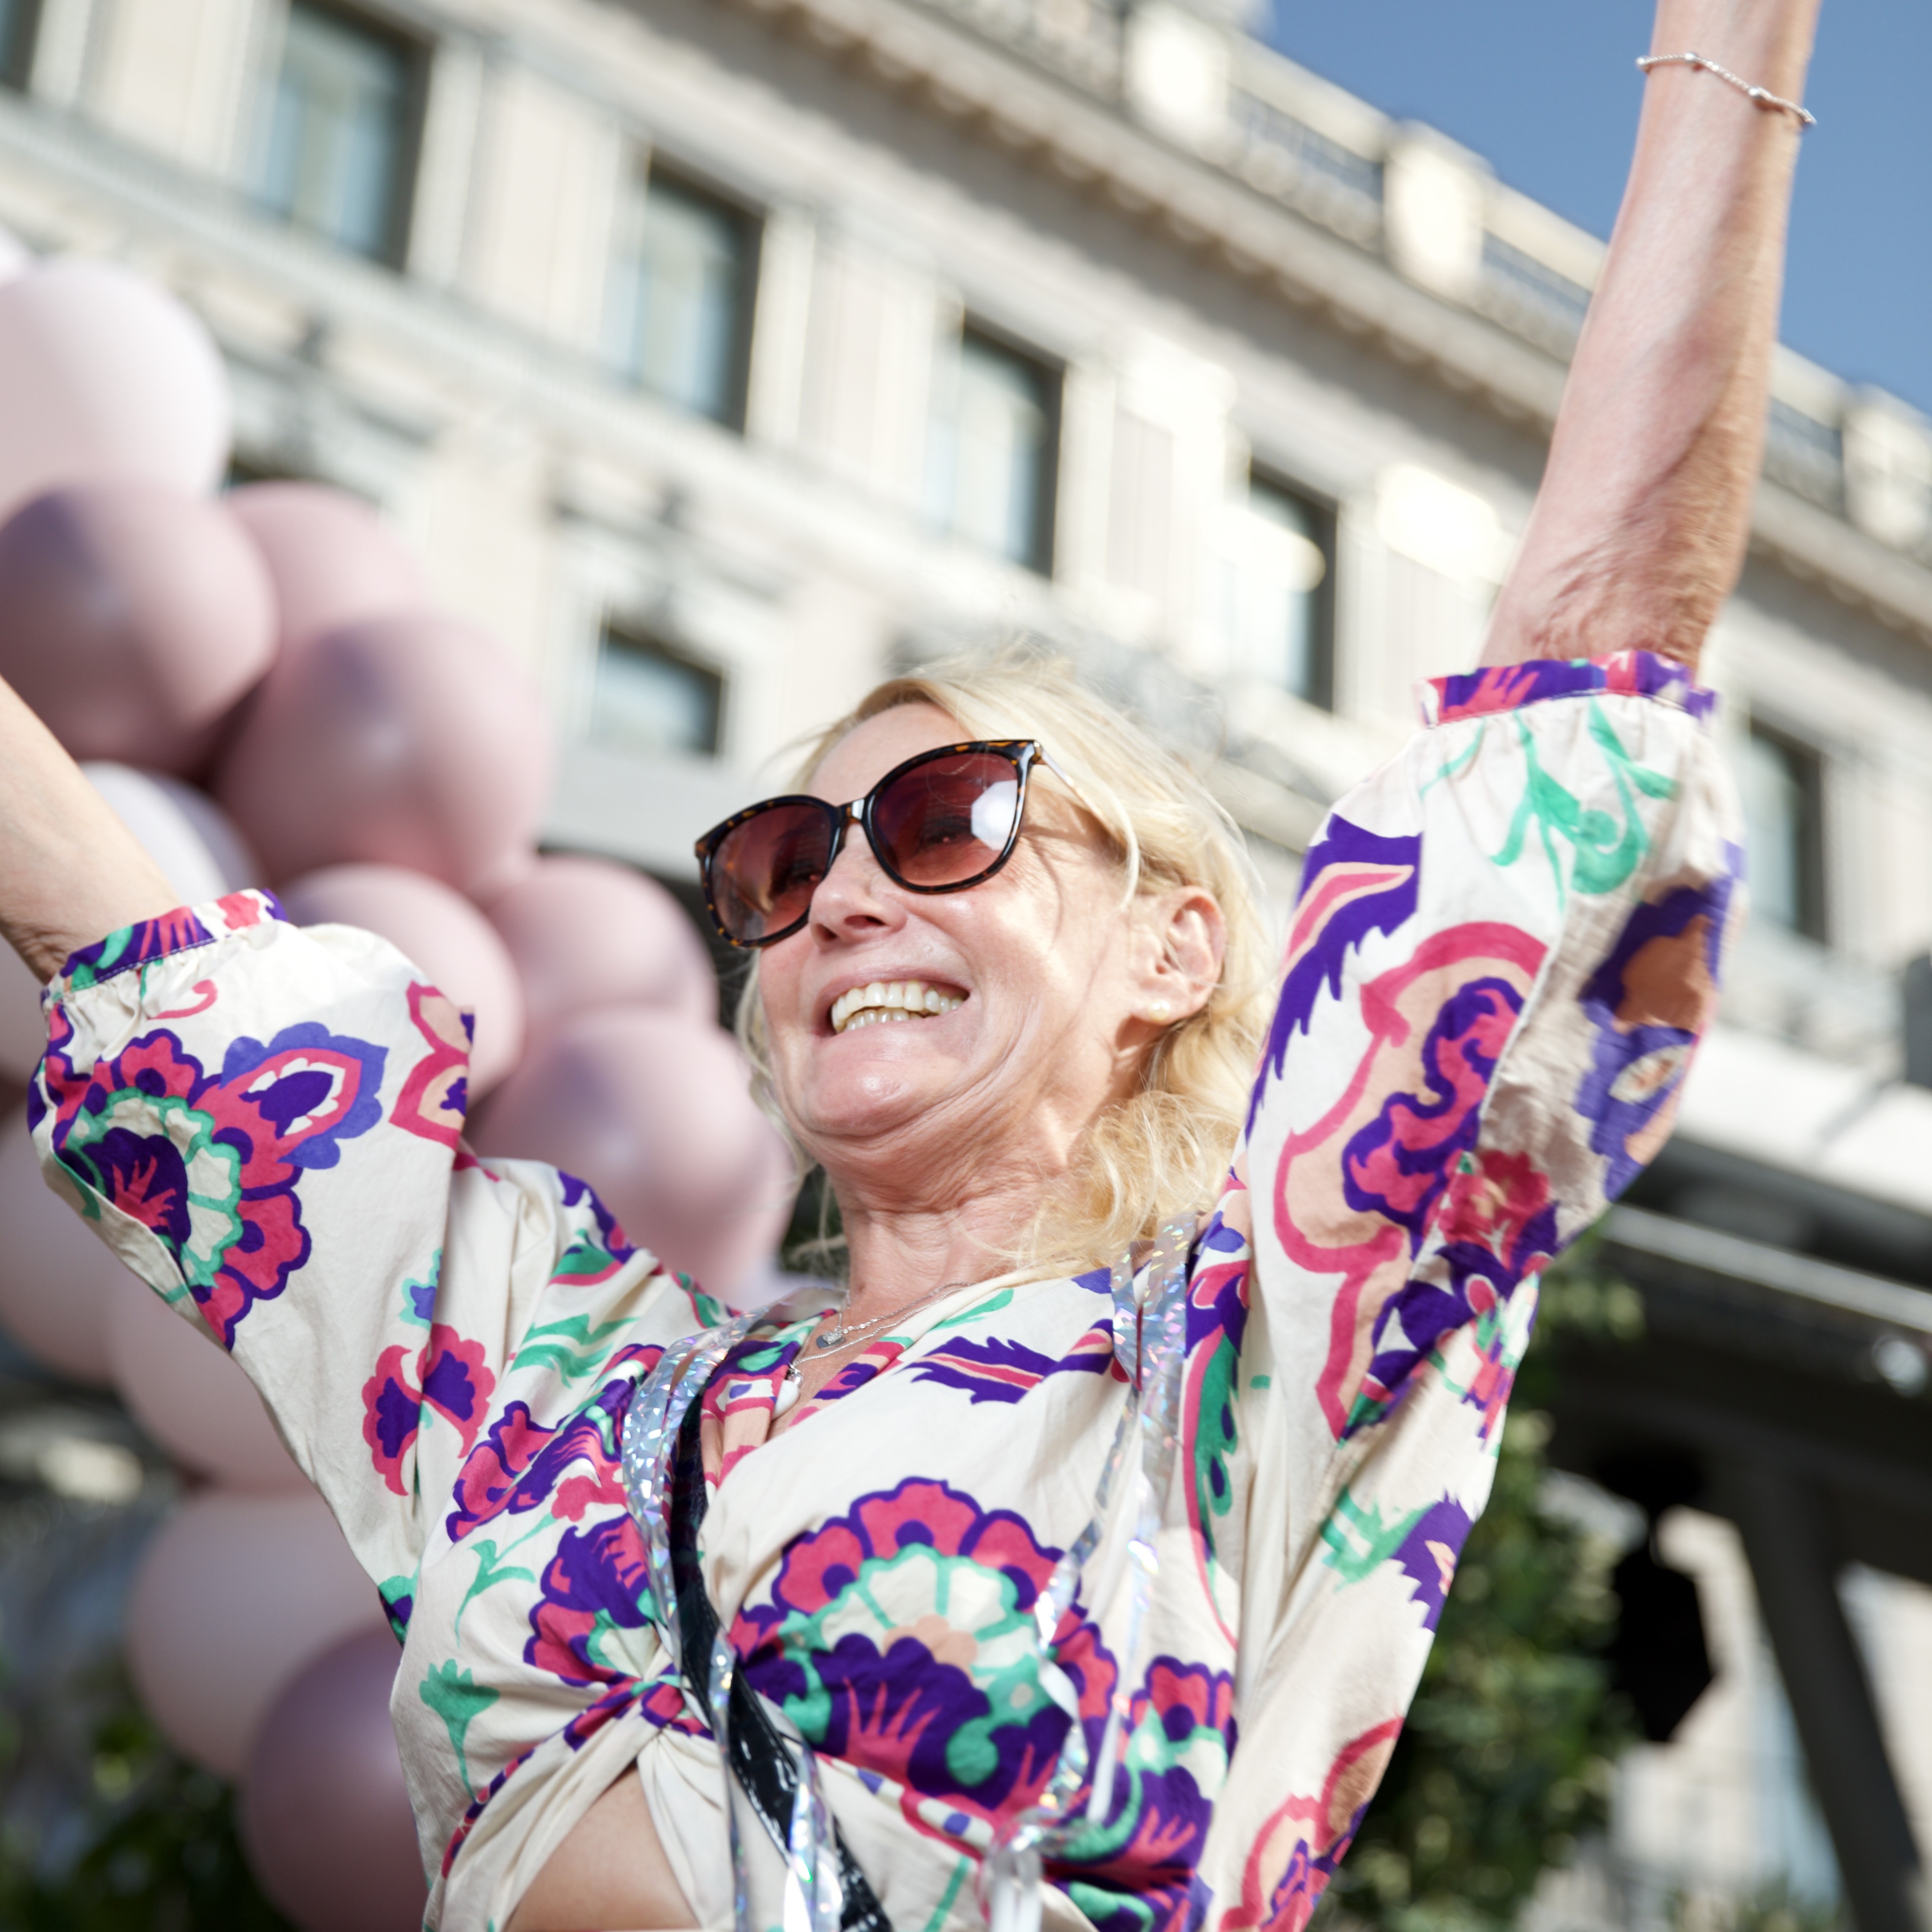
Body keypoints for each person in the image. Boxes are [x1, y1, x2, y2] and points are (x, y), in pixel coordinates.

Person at [0, 0, 1816, 1924]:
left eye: (947, 821)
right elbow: (145, 968)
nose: (844, 899)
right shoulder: (552, 1374)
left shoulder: (1250, 1367)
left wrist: (1733, 43)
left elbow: (1579, 680)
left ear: (1173, 946)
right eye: (782, 865)